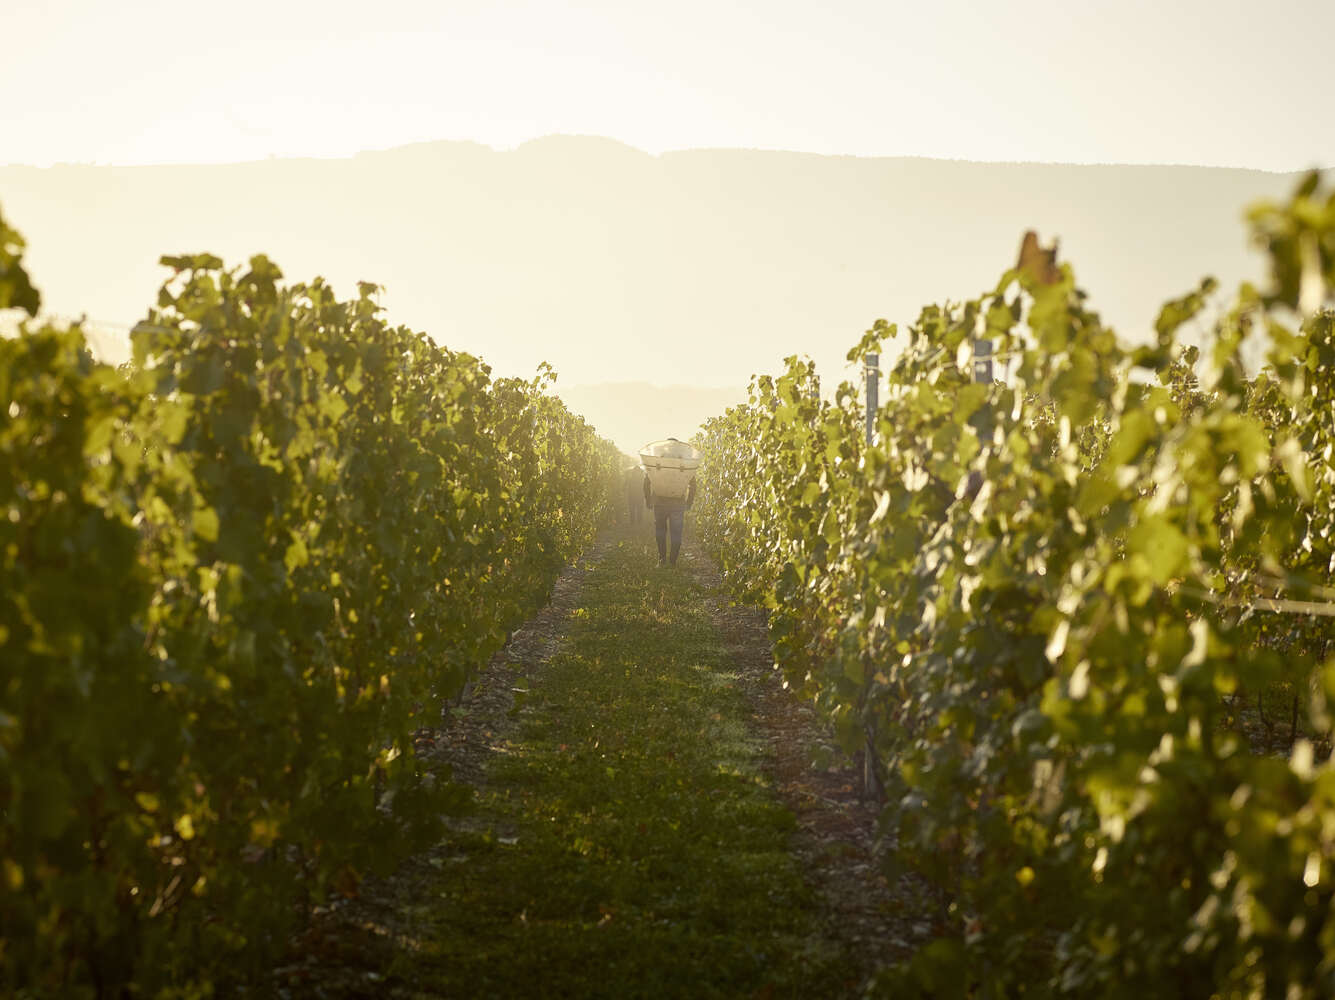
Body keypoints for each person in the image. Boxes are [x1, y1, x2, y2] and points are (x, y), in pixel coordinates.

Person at [643, 443, 696, 567]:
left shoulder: (657, 463)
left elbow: (646, 482)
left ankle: (661, 560)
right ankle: (672, 562)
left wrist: (648, 500)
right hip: (677, 504)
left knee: (660, 532)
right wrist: (689, 502)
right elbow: (693, 485)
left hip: (660, 503)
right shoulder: (683, 465)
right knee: (676, 533)